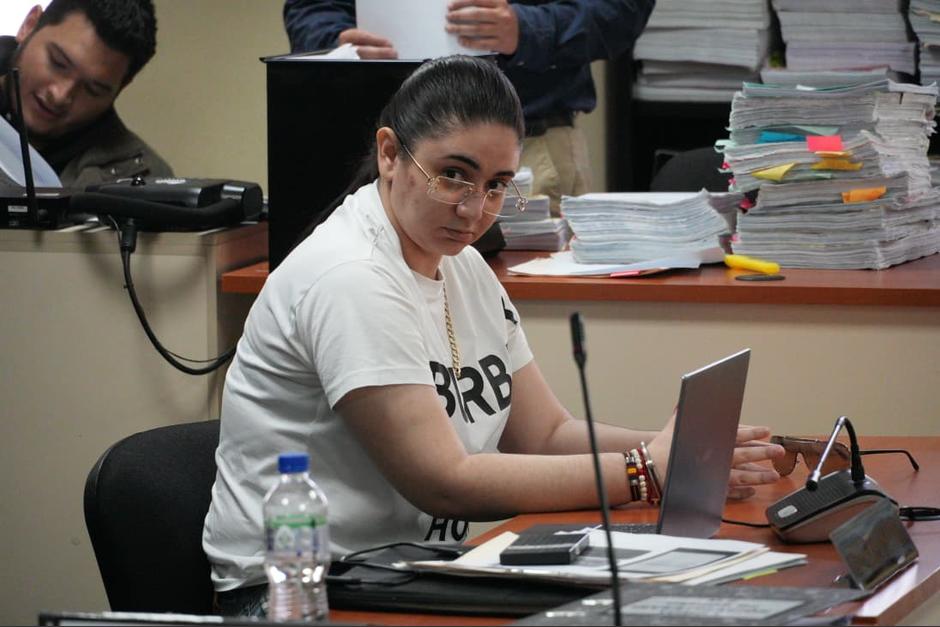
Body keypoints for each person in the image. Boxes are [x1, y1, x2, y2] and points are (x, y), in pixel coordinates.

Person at [202, 55, 783, 617]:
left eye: (498, 184)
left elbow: (545, 433)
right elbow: (445, 483)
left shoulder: (462, 265)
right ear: (388, 154)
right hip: (298, 593)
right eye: (453, 176)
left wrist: (678, 451)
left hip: (408, 573)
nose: (475, 210)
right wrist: (643, 470)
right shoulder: (350, 276)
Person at [282, 0, 655, 214]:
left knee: (525, 314)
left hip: (527, 152)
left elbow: (621, 9)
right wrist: (334, 42)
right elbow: (312, 6)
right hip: (382, 146)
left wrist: (530, 29)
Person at [0, 0, 172, 189]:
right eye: (58, 63)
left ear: (121, 88)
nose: (60, 96)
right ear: (29, 25)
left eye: (93, 90)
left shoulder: (145, 181)